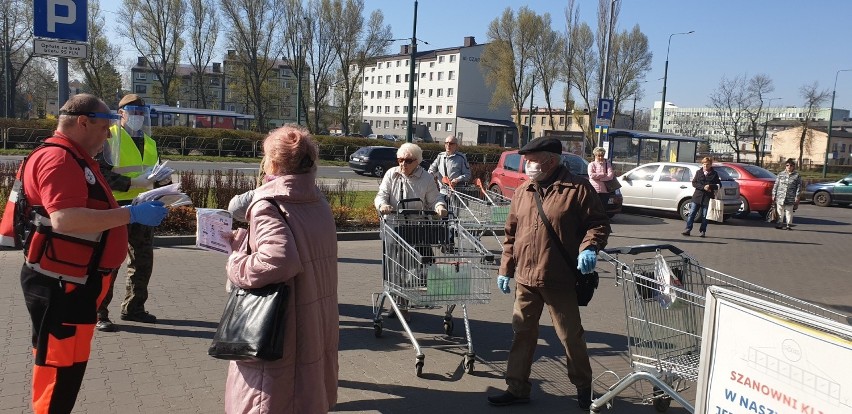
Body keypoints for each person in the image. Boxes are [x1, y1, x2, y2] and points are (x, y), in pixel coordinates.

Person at [0, 94, 167, 413]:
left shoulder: (74, 157)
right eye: (106, 126)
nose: (109, 134)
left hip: (71, 281)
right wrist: (130, 214)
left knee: (67, 369)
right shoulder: (59, 159)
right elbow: (66, 219)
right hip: (61, 285)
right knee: (59, 370)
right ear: (83, 122)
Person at [487, 137, 610, 410]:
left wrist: (589, 247)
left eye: (532, 160)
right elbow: (511, 235)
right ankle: (517, 387)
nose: (527, 165)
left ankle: (583, 387)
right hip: (526, 278)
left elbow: (598, 224)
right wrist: (506, 268)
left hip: (559, 278)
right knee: (522, 334)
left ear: (551, 161)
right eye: (526, 160)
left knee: (569, 336)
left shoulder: (577, 188)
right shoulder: (523, 190)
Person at [223, 125, 339, 413]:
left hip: (279, 327)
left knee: (273, 400)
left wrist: (236, 259)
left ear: (273, 164)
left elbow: (278, 261)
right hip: (313, 320)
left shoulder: (268, 204)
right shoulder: (317, 201)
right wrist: (246, 240)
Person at [95, 94, 166, 331]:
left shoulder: (150, 142)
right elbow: (100, 174)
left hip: (143, 207)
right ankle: (100, 313)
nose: (137, 116)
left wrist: (164, 186)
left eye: (140, 112)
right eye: (132, 111)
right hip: (115, 208)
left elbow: (155, 174)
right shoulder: (109, 137)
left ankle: (134, 308)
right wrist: (133, 183)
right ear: (121, 113)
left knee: (143, 261)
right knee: (110, 262)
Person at [375, 143, 448, 321]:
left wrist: (440, 206)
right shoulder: (392, 174)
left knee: (415, 266)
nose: (403, 164)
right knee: (395, 267)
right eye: (400, 160)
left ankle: (407, 301)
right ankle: (398, 303)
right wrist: (382, 205)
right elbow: (381, 194)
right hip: (393, 226)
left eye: (408, 161)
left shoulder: (426, 178)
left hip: (416, 229)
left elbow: (435, 198)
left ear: (417, 161)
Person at [681, 157, 722, 238]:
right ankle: (688, 229)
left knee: (705, 216)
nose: (705, 166)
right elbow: (694, 183)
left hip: (707, 198)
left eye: (707, 164)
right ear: (702, 164)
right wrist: (703, 187)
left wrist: (710, 186)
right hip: (697, 197)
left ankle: (702, 231)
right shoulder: (698, 172)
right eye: (704, 164)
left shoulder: (714, 174)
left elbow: (719, 185)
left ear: (711, 165)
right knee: (692, 214)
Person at [772, 158, 802, 230]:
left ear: (793, 166)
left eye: (791, 165)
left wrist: (797, 196)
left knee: (789, 211)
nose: (789, 167)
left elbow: (799, 187)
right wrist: (773, 194)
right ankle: (780, 223)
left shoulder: (797, 176)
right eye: (787, 165)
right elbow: (776, 185)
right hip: (780, 196)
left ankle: (788, 225)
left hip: (790, 196)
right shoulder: (781, 174)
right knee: (780, 210)